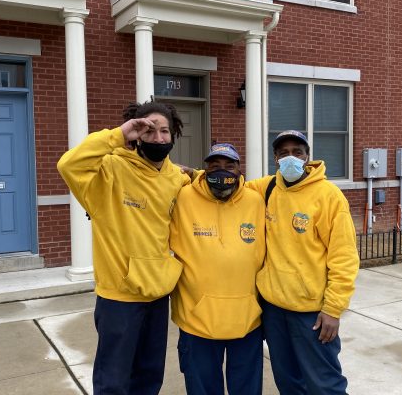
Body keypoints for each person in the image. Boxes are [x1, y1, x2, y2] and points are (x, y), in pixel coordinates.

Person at [56, 101, 190, 395]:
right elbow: (68, 164)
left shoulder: (176, 178)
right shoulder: (109, 170)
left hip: (158, 292)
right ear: (137, 134)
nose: (158, 138)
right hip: (119, 296)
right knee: (113, 380)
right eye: (150, 130)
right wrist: (120, 133)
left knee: (149, 375)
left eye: (165, 131)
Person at [246, 130, 360, 395]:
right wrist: (192, 174)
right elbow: (232, 184)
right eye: (283, 153)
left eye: (297, 152)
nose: (290, 158)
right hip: (274, 309)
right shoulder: (269, 187)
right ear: (275, 158)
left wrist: (333, 308)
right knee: (288, 382)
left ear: (308, 157)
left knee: (324, 384)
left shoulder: (328, 196)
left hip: (312, 313)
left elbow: (344, 257)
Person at [169, 143, 266, 395]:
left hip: (247, 320)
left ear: (239, 169)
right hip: (196, 320)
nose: (222, 171)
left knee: (246, 389)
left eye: (229, 165)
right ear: (205, 169)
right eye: (214, 166)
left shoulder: (256, 200)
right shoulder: (182, 196)